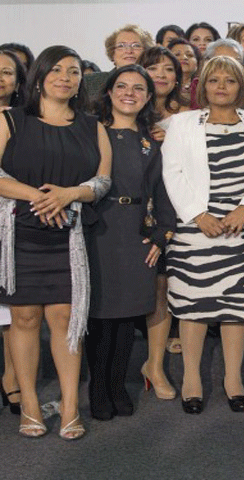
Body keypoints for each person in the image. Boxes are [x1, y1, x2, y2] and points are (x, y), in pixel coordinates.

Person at [0, 45, 112, 439]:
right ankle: (30, 403)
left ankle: (69, 406)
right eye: (57, 70)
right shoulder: (11, 120)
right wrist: (39, 196)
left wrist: (69, 194)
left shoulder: (92, 126)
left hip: (69, 236)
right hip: (20, 234)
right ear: (40, 76)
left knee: (66, 320)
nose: (65, 77)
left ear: (82, 81)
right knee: (25, 319)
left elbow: (102, 181)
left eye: (74, 71)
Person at [162, 56, 244, 414]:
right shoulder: (182, 123)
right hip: (195, 228)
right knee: (193, 306)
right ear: (203, 86)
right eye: (214, 80)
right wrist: (198, 215)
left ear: (241, 86)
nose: (221, 87)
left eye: (230, 80)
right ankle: (191, 380)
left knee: (237, 308)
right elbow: (172, 172)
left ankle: (233, 380)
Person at [87, 65, 175, 419]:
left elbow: (162, 192)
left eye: (138, 88)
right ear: (108, 92)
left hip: (137, 232)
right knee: (100, 314)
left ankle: (118, 384)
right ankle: (98, 387)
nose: (129, 93)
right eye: (121, 86)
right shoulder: (90, 133)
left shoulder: (151, 142)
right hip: (98, 229)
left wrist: (161, 234)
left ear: (148, 97)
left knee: (127, 315)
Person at [136, 45, 188, 385]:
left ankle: (154, 366)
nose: (161, 75)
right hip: (131, 211)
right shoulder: (126, 109)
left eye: (169, 69)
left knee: (163, 285)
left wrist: (173, 141)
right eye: (154, 68)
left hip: (175, 209)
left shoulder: (189, 116)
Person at [0, 49, 26, 417]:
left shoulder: (25, 120)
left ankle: (12, 375)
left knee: (8, 305)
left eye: (7, 72)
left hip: (11, 215)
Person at [84, 25, 154, 103]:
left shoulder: (155, 83)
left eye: (136, 46)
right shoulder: (90, 82)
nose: (129, 51)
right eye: (121, 46)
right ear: (112, 53)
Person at [168, 38, 200, 104]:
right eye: (177, 54)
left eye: (190, 55)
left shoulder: (203, 88)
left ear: (197, 64)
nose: (184, 57)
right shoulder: (163, 86)